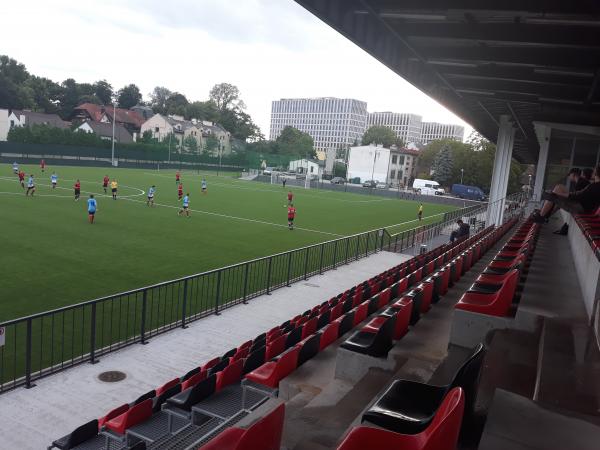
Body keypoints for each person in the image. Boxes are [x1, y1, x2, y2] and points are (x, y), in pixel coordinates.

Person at [552, 168, 590, 234]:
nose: (569, 177)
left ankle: (545, 215)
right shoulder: (581, 181)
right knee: (558, 188)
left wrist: (561, 195)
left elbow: (576, 198)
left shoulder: (581, 182)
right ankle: (546, 215)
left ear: (573, 174)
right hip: (581, 205)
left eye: (569, 175)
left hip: (581, 207)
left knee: (556, 197)